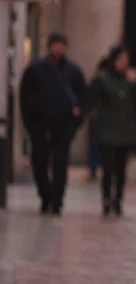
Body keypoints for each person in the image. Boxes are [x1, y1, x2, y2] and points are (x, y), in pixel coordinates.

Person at [19, 31, 86, 216]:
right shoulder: (35, 70)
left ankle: (57, 200)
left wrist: (74, 123)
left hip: (63, 126)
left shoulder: (73, 71)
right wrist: (29, 123)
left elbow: (82, 98)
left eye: (62, 45)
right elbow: (25, 97)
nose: (59, 49)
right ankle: (45, 196)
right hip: (39, 125)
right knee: (39, 163)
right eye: (56, 44)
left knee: (60, 163)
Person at [87, 46, 136, 218]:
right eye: (121, 59)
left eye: (126, 59)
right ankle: (106, 199)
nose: (124, 63)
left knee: (121, 169)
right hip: (107, 130)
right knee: (108, 167)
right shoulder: (103, 79)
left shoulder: (130, 80)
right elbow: (90, 99)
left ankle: (117, 200)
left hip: (125, 132)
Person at [88, 57, 110, 181]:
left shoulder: (97, 80)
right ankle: (96, 167)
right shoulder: (102, 81)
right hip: (100, 118)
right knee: (98, 145)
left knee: (96, 145)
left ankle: (94, 168)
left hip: (99, 118)